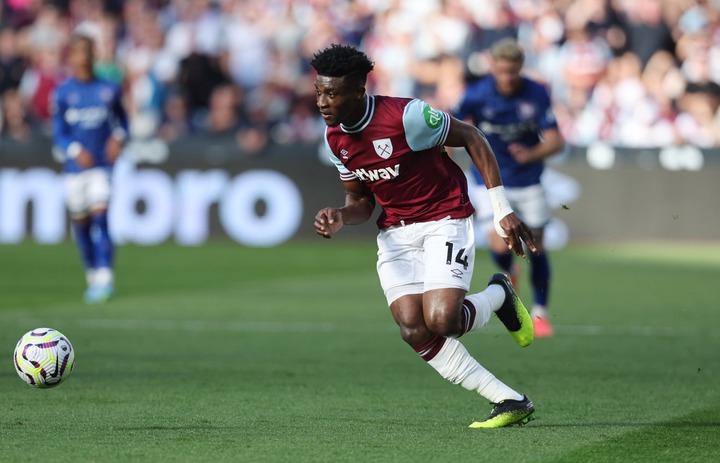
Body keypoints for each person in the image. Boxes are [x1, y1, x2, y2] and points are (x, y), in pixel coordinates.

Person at [311, 43, 538, 428]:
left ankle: (499, 294)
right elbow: (361, 202)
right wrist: (341, 215)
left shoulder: (406, 116)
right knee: (413, 329)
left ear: (358, 91)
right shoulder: (335, 139)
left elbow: (473, 138)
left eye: (332, 93)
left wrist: (501, 209)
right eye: (319, 91)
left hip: (444, 217)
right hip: (396, 233)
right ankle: (509, 400)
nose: (322, 101)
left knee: (443, 320)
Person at [454, 38, 565, 338]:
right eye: (501, 71)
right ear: (492, 67)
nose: (507, 78)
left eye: (512, 71)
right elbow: (450, 127)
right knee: (499, 244)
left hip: (529, 181)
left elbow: (556, 140)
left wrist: (531, 154)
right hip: (488, 183)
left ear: (520, 68)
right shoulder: (475, 95)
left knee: (536, 248)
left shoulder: (537, 93)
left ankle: (540, 312)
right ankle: (509, 273)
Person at [52, 33, 128, 304]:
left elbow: (122, 121)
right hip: (75, 169)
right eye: (78, 52)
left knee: (101, 217)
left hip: (102, 166)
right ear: (71, 56)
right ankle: (92, 275)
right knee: (81, 226)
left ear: (93, 55)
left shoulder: (109, 88)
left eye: (87, 51)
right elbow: (59, 132)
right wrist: (74, 149)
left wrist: (118, 138)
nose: (83, 57)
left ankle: (105, 277)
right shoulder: (63, 92)